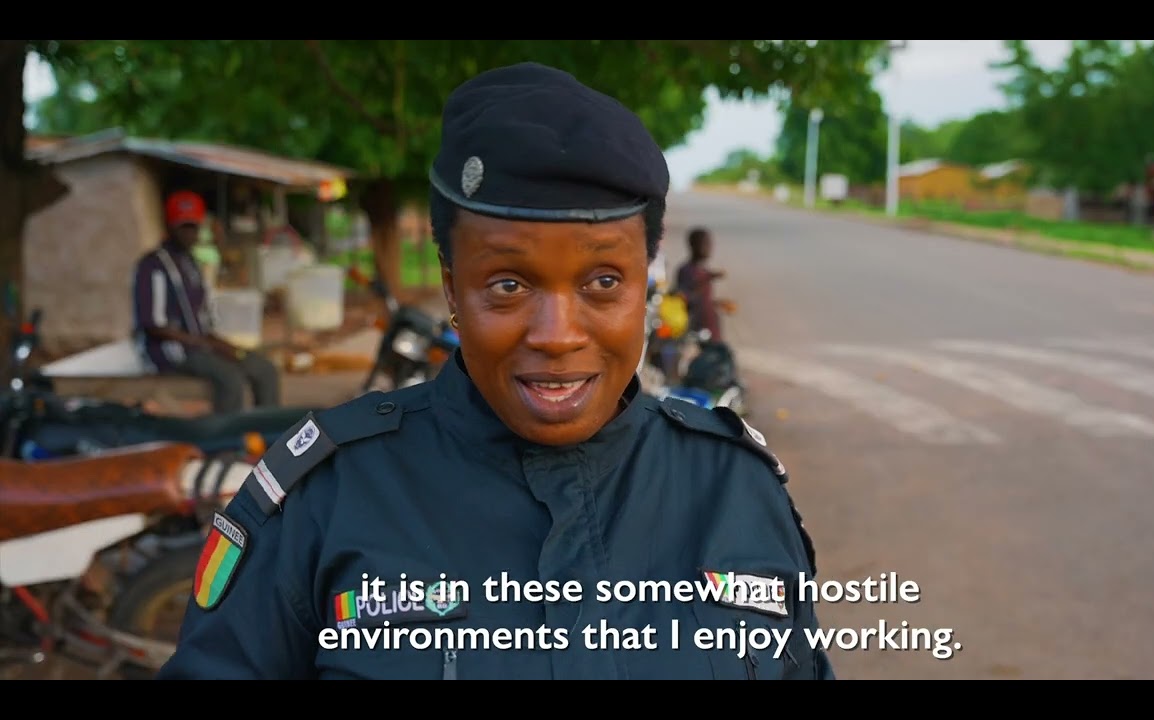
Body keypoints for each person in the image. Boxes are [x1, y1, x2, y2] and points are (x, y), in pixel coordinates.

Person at [156, 62, 833, 681]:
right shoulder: (326, 499)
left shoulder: (734, 491)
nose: (557, 335)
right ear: (452, 290)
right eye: (508, 286)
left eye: (603, 280)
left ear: (645, 287)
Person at [131, 190, 281, 414]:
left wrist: (224, 346)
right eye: (184, 226)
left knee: (265, 369)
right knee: (230, 379)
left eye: (194, 226)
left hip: (201, 347)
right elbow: (154, 326)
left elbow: (201, 322)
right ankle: (229, 443)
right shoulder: (154, 266)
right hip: (173, 353)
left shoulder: (190, 263)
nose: (190, 233)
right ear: (169, 226)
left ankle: (269, 435)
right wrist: (205, 344)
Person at [675, 227, 727, 342]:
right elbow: (684, 297)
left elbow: (702, 298)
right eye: (705, 243)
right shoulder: (686, 270)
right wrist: (709, 277)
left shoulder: (703, 270)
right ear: (693, 245)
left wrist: (717, 303)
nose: (709, 248)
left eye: (710, 244)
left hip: (710, 328)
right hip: (695, 330)